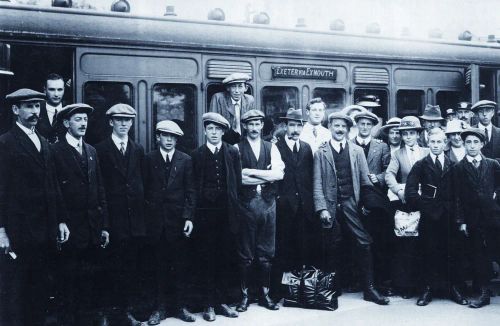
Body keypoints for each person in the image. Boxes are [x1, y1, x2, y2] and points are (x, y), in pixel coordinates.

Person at [0, 89, 69, 326]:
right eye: (28, 107)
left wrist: (60, 220)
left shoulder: (43, 142)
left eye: (37, 106)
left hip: (45, 231)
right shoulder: (5, 143)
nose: (34, 112)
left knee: (39, 290)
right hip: (19, 231)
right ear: (15, 109)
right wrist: (1, 231)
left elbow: (53, 184)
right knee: (16, 293)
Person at [313, 111, 389, 305]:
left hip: (350, 204)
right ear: (330, 128)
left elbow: (365, 182)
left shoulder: (356, 151)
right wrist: (321, 208)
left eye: (343, 127)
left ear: (348, 130)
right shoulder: (321, 152)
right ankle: (333, 287)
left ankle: (369, 289)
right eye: (336, 126)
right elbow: (317, 184)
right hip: (330, 205)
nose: (339, 130)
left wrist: (366, 205)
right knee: (333, 244)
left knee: (364, 243)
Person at [52, 103, 110, 325]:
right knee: (68, 283)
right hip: (69, 230)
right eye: (78, 119)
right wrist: (60, 221)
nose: (83, 123)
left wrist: (104, 225)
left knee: (89, 282)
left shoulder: (92, 151)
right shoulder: (55, 151)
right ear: (66, 123)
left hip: (93, 228)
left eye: (85, 119)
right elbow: (53, 190)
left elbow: (100, 189)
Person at [94, 103, 145, 326]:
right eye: (119, 120)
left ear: (132, 123)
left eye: (128, 120)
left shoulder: (138, 149)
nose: (124, 124)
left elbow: (141, 183)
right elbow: (98, 187)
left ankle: (125, 312)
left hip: (133, 221)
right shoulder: (100, 149)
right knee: (108, 268)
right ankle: (105, 314)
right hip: (112, 220)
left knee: (129, 268)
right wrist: (104, 222)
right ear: (111, 122)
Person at [405, 128, 468, 306]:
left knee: (452, 252)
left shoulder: (453, 165)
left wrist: (458, 216)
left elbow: (459, 194)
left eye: (439, 142)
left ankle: (454, 288)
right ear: (427, 143)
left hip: (449, 217)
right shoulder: (421, 164)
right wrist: (426, 207)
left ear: (445, 144)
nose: (435, 145)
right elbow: (410, 192)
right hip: (429, 217)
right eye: (432, 142)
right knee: (428, 252)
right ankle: (427, 289)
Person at [144, 120, 196, 325]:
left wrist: (189, 217)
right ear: (158, 137)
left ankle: (180, 307)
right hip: (155, 223)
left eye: (173, 137)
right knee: (158, 266)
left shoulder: (185, 160)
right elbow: (144, 190)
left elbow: (191, 191)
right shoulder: (148, 159)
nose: (169, 140)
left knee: (180, 265)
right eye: (165, 135)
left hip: (178, 222)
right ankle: (160, 309)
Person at [191, 112, 241, 322]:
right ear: (205, 131)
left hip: (226, 213)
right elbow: (192, 187)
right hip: (205, 216)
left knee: (224, 257)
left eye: (217, 129)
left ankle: (222, 302)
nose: (213, 133)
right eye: (210, 129)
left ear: (223, 132)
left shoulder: (232, 152)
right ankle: (208, 303)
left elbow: (237, 183)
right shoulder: (197, 154)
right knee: (206, 259)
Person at [234, 109, 284, 312]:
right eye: (250, 124)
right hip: (246, 206)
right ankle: (244, 297)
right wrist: (267, 174)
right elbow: (239, 177)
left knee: (266, 253)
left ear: (262, 126)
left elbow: (279, 174)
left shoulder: (271, 147)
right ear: (245, 126)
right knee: (245, 254)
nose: (254, 128)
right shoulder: (236, 148)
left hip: (268, 205)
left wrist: (252, 171)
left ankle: (265, 295)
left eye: (258, 124)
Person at [454, 128, 500, 308]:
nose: (472, 146)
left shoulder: (492, 164)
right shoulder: (459, 168)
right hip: (473, 219)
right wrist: (461, 220)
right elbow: (457, 196)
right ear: (464, 145)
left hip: (493, 216)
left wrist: (496, 196)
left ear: (482, 144)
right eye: (468, 143)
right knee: (478, 255)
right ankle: (483, 292)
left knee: (496, 250)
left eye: (475, 142)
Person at [273, 108, 317, 295]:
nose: (295, 129)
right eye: (292, 125)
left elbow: (310, 176)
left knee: (302, 247)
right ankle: (279, 290)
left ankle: (299, 290)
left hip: (304, 207)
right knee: (283, 248)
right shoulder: (275, 146)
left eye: (299, 125)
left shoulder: (306, 148)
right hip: (284, 206)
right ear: (285, 126)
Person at [385, 116, 429, 299]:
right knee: (405, 243)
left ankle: (423, 285)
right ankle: (405, 285)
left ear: (418, 134)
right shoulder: (397, 154)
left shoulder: (427, 151)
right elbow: (389, 175)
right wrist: (398, 190)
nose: (408, 137)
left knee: (423, 243)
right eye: (405, 134)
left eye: (412, 133)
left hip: (425, 201)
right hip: (405, 202)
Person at [352, 110, 392, 294]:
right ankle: (358, 280)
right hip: (354, 198)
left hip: (376, 200)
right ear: (357, 126)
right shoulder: (349, 145)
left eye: (368, 124)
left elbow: (389, 170)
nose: (365, 127)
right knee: (356, 241)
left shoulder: (381, 147)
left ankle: (379, 281)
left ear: (372, 126)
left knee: (377, 240)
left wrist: (380, 178)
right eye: (362, 124)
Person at [209, 72, 255, 145]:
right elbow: (213, 124)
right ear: (228, 88)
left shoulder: (250, 100)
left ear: (245, 88)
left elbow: (252, 123)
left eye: (240, 86)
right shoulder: (218, 98)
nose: (237, 91)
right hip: (223, 142)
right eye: (233, 87)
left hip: (244, 142)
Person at [37, 73, 65, 143]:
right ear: (45, 90)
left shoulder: (70, 109)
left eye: (60, 90)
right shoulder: (36, 109)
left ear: (64, 90)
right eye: (52, 90)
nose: (56, 94)